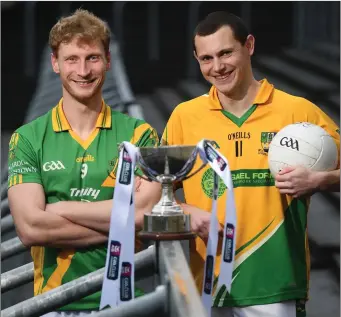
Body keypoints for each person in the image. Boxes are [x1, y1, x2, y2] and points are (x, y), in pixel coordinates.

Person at [161, 11, 340, 317]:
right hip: (205, 284)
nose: (217, 67)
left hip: (274, 284)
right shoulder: (184, 117)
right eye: (206, 58)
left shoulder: (297, 112)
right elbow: (153, 192)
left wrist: (319, 181)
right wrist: (186, 212)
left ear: (250, 46)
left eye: (226, 53)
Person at [7, 9, 161, 316]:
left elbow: (146, 215)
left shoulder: (140, 134)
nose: (83, 70)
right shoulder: (26, 139)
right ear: (55, 63)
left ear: (108, 61)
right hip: (53, 305)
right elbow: (31, 227)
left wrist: (60, 210)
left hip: (126, 305)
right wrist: (122, 225)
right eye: (72, 59)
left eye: (92, 58)